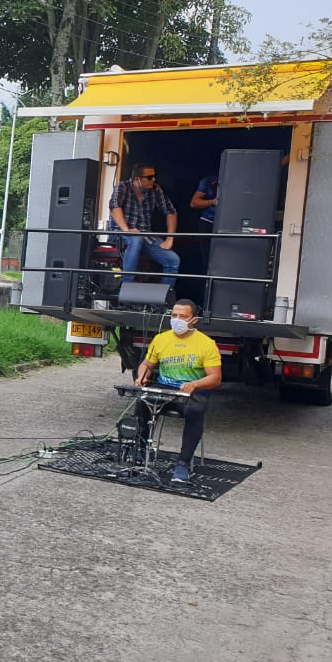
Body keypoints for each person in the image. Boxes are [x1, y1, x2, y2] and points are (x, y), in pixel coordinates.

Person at [134, 299, 221, 484]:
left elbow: (215, 378)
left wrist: (196, 384)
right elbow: (146, 364)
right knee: (141, 402)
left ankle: (183, 463)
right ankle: (141, 450)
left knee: (195, 411)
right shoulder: (161, 339)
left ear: (194, 320)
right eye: (174, 315)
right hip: (165, 387)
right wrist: (141, 377)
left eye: (183, 316)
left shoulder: (206, 343)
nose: (177, 320)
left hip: (192, 390)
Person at [108, 163, 180, 285]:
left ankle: (163, 299)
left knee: (173, 260)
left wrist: (170, 238)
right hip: (120, 231)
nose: (154, 179)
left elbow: (171, 212)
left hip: (144, 234)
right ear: (137, 180)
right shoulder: (123, 187)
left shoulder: (155, 189)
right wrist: (126, 229)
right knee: (136, 240)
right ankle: (127, 285)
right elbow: (114, 207)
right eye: (149, 177)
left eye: (154, 176)